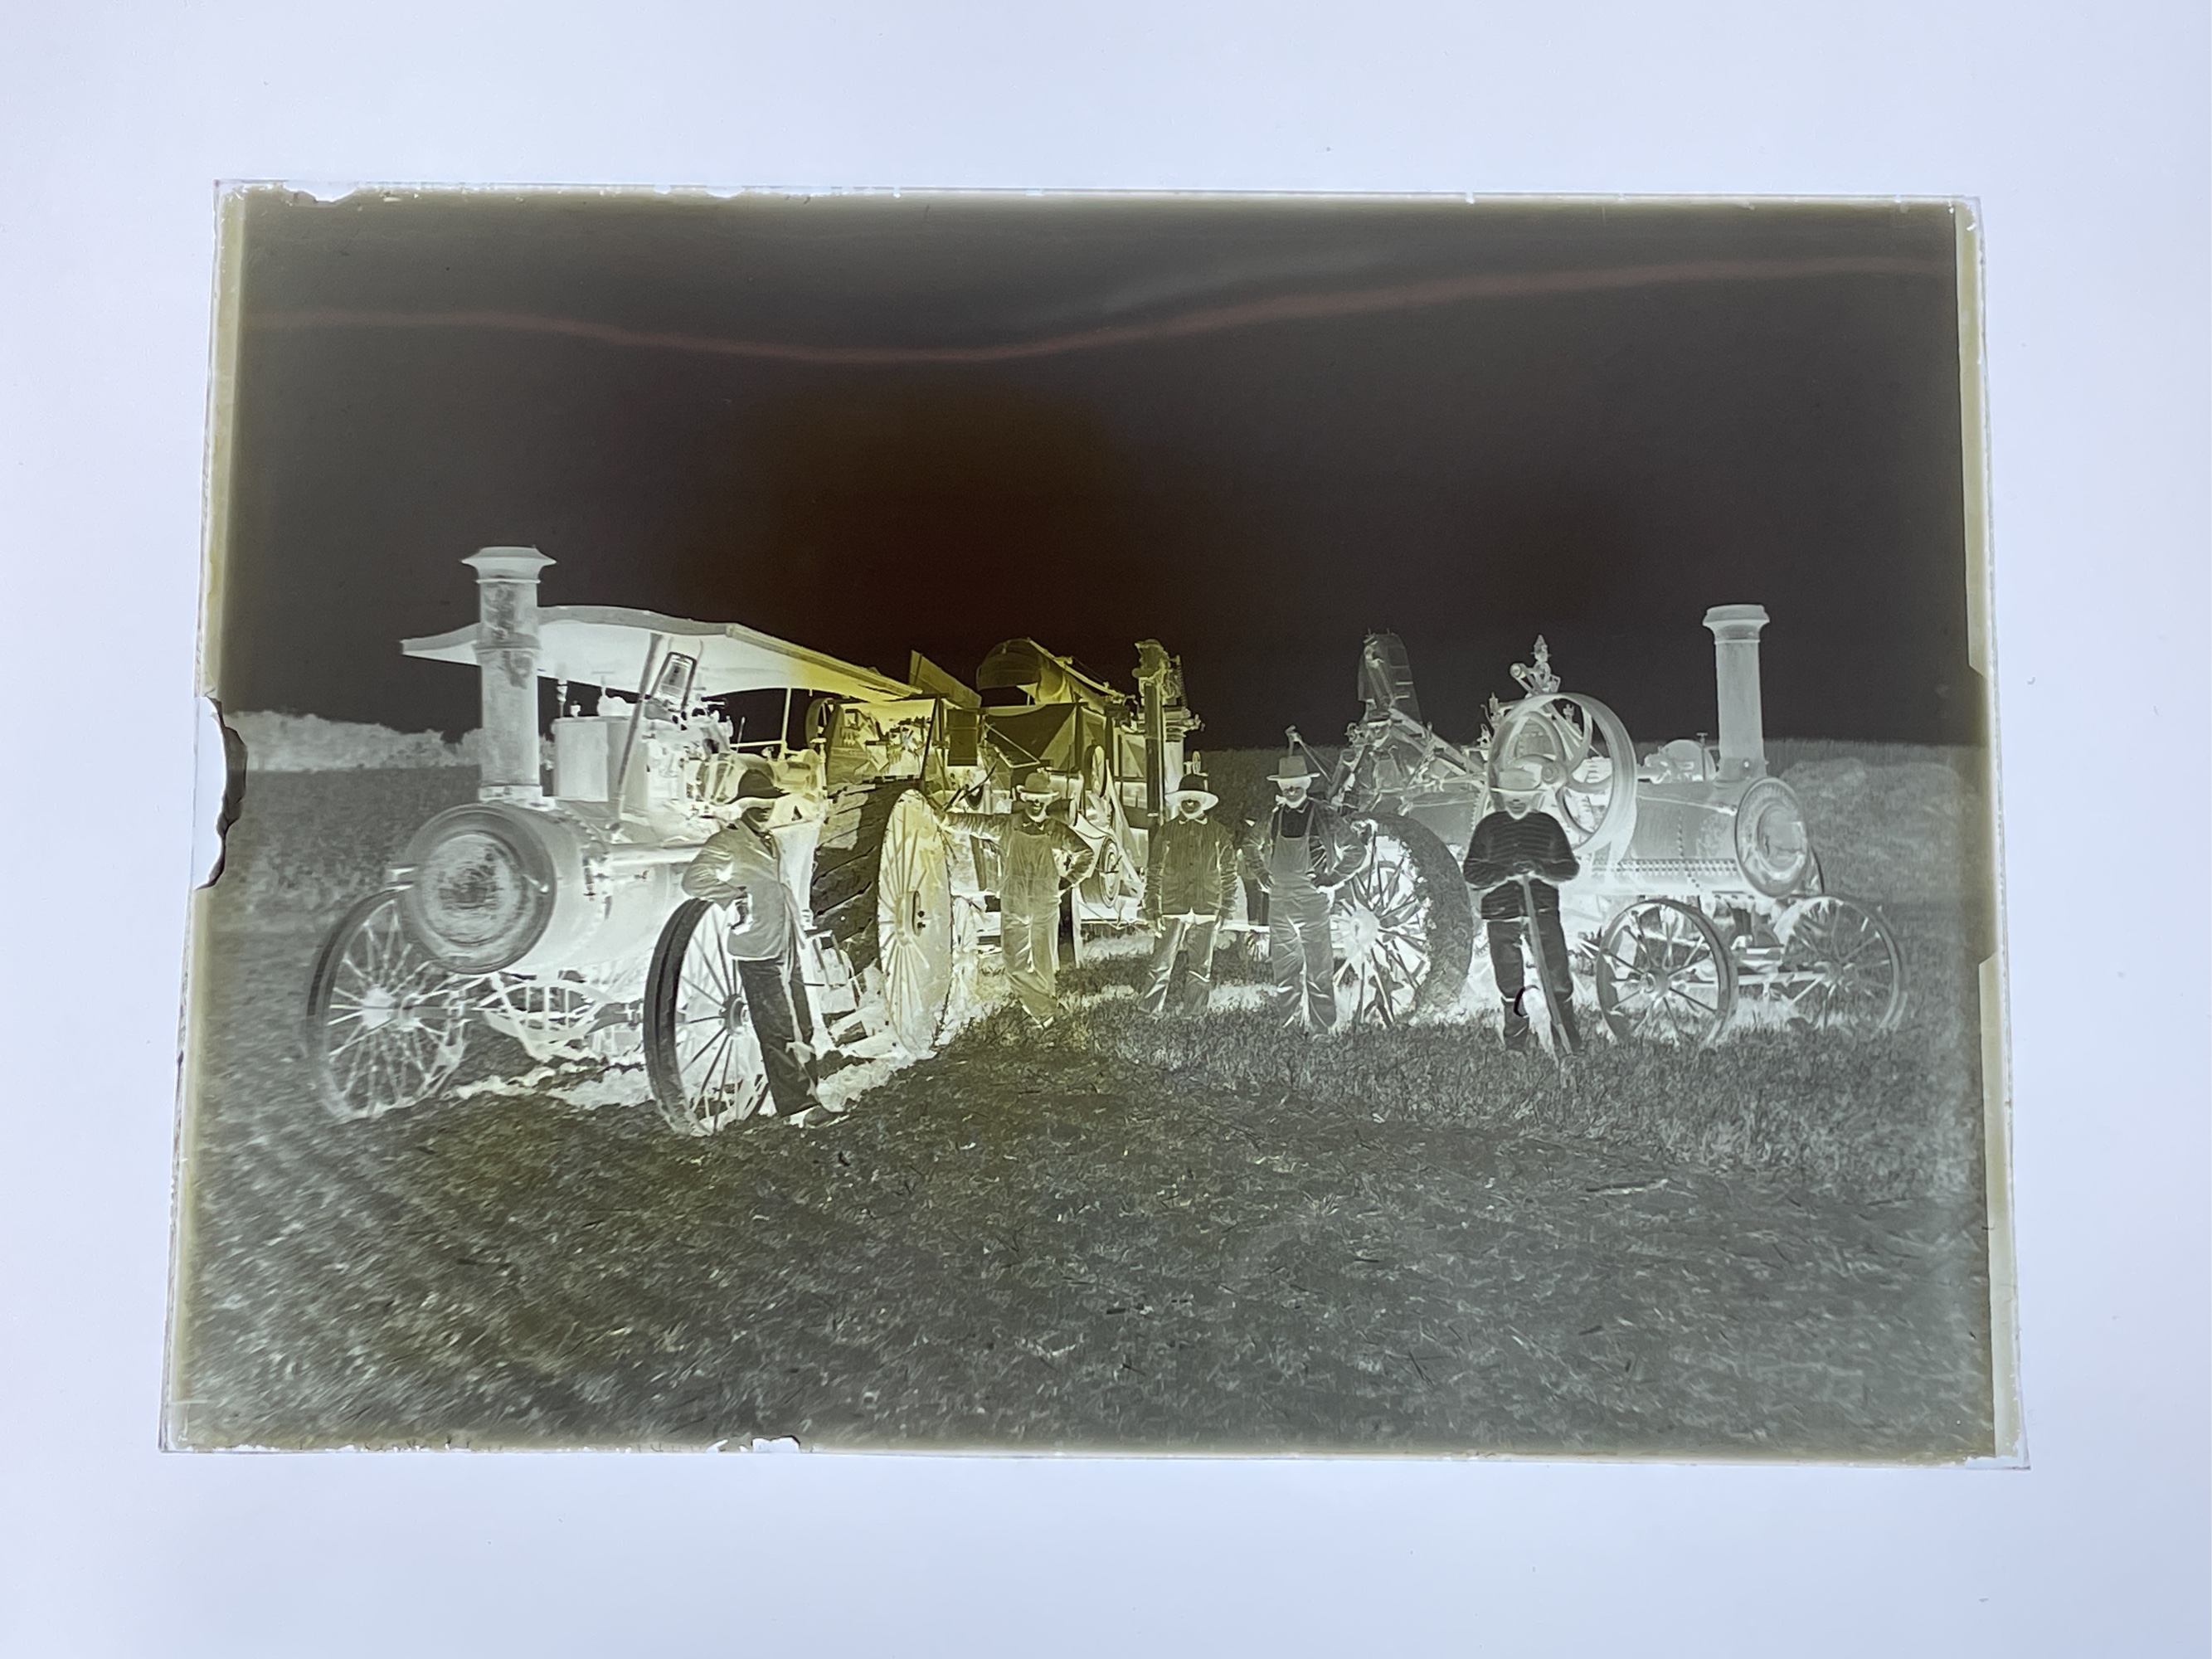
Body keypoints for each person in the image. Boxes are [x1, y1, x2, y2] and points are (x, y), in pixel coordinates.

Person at [679, 768, 834, 1124]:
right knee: (779, 1031)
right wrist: (733, 898)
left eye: (769, 803)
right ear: (743, 806)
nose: (765, 809)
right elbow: (693, 880)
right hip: (758, 948)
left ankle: (811, 1098)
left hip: (787, 941)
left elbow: (781, 888)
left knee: (802, 1025)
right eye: (756, 804)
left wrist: (799, 924)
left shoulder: (772, 841)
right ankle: (799, 1109)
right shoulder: (728, 842)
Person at [950, 769, 1096, 1026]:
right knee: (1014, 966)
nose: (1036, 803)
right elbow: (977, 823)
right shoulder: (1009, 825)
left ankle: (1046, 1020)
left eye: (1041, 799)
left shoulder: (1056, 831)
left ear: (1048, 801)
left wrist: (1067, 882)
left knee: (1044, 965)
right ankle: (1048, 1012)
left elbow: (1086, 854)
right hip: (1015, 902)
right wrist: (946, 819)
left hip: (1045, 904)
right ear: (1024, 798)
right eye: (1032, 798)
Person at [1461, 759, 1582, 1052]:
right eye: (1510, 797)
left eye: (1522, 797)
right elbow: (1471, 872)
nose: (1516, 803)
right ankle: (1516, 1044)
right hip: (1501, 915)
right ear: (1502, 797)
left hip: (1542, 912)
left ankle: (1567, 1043)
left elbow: (1569, 868)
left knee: (1557, 979)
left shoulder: (1547, 826)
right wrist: (1505, 873)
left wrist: (1540, 869)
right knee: (1510, 983)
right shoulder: (1489, 827)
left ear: (1533, 797)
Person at [1243, 749, 1353, 1031]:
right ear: (1280, 787)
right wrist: (1261, 873)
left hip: (1312, 901)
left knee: (1319, 970)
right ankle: (1290, 1028)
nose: (1291, 790)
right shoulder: (1273, 817)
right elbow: (1249, 845)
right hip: (1279, 900)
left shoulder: (1324, 816)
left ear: (1306, 784)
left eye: (1296, 785)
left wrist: (1333, 879)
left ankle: (1322, 1031)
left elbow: (1356, 850)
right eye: (1286, 786)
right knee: (1285, 970)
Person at [1140, 772, 1239, 1016]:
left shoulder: (1218, 833)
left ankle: (1194, 1015)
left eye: (1195, 798)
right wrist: (1153, 908)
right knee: (1160, 962)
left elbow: (1229, 872)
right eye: (1186, 798)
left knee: (1201, 967)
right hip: (1172, 907)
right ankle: (1149, 1013)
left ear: (1204, 801)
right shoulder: (1167, 832)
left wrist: (1227, 908)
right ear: (1180, 801)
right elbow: (1154, 871)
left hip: (1207, 907)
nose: (1190, 803)